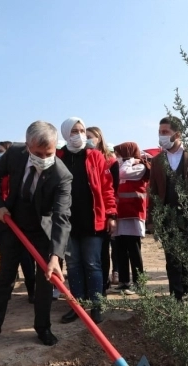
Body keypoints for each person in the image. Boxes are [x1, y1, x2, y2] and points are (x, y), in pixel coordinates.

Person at [0, 121, 72, 348]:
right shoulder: (15, 154)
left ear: (55, 148)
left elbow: (61, 217)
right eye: (37, 153)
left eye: (48, 153)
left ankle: (43, 328)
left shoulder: (62, 175)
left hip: (42, 229)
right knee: (5, 276)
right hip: (13, 224)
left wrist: (55, 256)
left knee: (45, 280)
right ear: (28, 146)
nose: (43, 157)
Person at [57, 118, 117, 325]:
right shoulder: (58, 157)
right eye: (74, 131)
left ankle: (97, 305)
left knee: (92, 263)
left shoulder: (96, 156)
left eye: (82, 130)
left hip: (93, 219)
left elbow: (108, 187)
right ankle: (78, 306)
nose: (80, 134)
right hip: (67, 222)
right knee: (73, 265)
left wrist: (111, 214)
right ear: (66, 133)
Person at [149, 116, 188, 302]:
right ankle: (176, 295)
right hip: (168, 215)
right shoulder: (156, 161)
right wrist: (154, 219)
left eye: (165, 132)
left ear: (177, 134)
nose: (161, 136)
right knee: (172, 258)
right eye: (160, 132)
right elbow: (153, 191)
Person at [0, 141, 36, 304]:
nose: (0, 154)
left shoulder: (21, 172)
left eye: (2, 151)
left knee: (27, 261)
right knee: (7, 263)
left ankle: (32, 291)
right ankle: (5, 294)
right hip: (2, 225)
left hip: (23, 226)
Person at [111, 142, 150, 295]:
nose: (117, 156)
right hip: (120, 214)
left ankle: (139, 282)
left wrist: (129, 161)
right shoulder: (123, 166)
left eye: (120, 154)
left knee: (133, 250)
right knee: (120, 250)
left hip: (133, 214)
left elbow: (122, 174)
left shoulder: (139, 167)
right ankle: (124, 281)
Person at [87, 126, 120, 296]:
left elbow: (111, 189)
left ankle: (103, 286)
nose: (86, 139)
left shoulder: (110, 161)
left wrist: (111, 214)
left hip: (104, 212)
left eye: (89, 136)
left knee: (103, 251)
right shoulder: (83, 158)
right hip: (88, 215)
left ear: (99, 138)